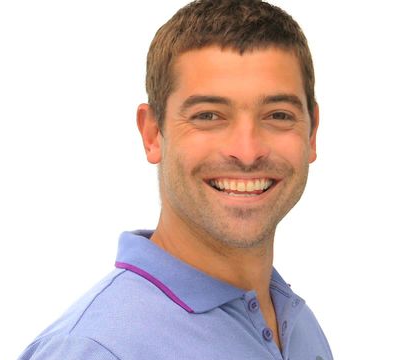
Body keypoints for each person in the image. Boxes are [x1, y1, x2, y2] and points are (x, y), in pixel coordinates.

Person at [17, 1, 331, 359]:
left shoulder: (296, 323)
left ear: (311, 133)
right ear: (152, 133)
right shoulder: (96, 349)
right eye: (209, 115)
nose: (247, 151)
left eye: (277, 115)